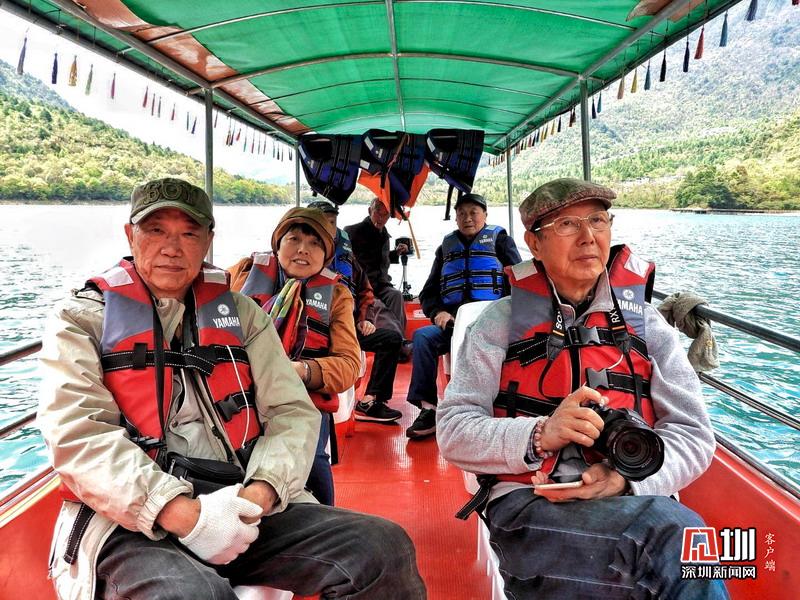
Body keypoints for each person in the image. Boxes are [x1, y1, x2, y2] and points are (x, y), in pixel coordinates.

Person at [38, 178, 426, 599]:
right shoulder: (80, 319)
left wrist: (259, 494)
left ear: (208, 241)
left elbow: (292, 411)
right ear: (131, 235)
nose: (172, 248)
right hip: (128, 518)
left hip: (239, 495)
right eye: (156, 230)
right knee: (194, 595)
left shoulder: (241, 313)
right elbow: (78, 435)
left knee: (382, 548)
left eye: (189, 234)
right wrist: (181, 513)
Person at [437, 178, 727, 599]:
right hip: (531, 501)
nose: (589, 236)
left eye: (598, 220)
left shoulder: (646, 324)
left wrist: (624, 479)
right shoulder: (498, 324)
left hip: (631, 498)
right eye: (568, 224)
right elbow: (454, 431)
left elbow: (694, 433)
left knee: (669, 544)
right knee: (675, 540)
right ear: (534, 244)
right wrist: (540, 434)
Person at [228, 206, 360, 506]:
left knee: (311, 460)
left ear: (326, 255)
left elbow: (349, 365)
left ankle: (324, 517)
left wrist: (298, 370)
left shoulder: (337, 296)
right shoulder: (242, 273)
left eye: (315, 243)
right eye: (294, 239)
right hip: (241, 393)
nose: (303, 249)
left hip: (302, 398)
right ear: (278, 243)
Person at [405, 192, 521, 439]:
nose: (468, 218)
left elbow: (519, 283)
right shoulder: (445, 248)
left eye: (473, 213)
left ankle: (505, 405)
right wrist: (438, 312)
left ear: (485, 215)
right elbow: (428, 292)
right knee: (423, 337)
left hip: (494, 323)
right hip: (453, 325)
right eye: (462, 214)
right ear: (456, 218)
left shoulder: (501, 242)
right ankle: (428, 408)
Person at [308, 199, 404, 423]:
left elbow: (364, 290)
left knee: (391, 339)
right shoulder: (297, 257)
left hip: (348, 327)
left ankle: (370, 401)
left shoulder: (345, 255)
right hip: (313, 334)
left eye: (332, 223)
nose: (328, 228)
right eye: (321, 222)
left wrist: (364, 318)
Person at [344, 197, 410, 342]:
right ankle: (398, 342)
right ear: (370, 211)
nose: (381, 218)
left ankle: (400, 339)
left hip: (382, 284)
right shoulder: (353, 232)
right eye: (377, 213)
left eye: (385, 215)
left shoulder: (384, 234)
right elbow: (346, 260)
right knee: (377, 306)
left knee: (396, 295)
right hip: (363, 287)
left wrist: (396, 253)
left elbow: (379, 259)